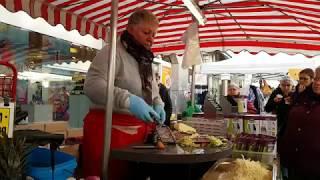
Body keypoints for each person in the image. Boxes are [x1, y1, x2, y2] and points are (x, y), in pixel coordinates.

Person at [82, 9, 165, 179]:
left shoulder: (145, 59)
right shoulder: (112, 52)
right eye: (146, 32)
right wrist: (129, 100)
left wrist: (158, 102)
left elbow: (153, 90)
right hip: (108, 131)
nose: (151, 38)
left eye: (154, 34)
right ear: (130, 29)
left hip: (137, 135)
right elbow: (92, 85)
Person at [280, 67, 320, 180]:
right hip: (295, 159)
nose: (317, 83)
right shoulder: (303, 96)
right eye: (316, 79)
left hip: (314, 165)